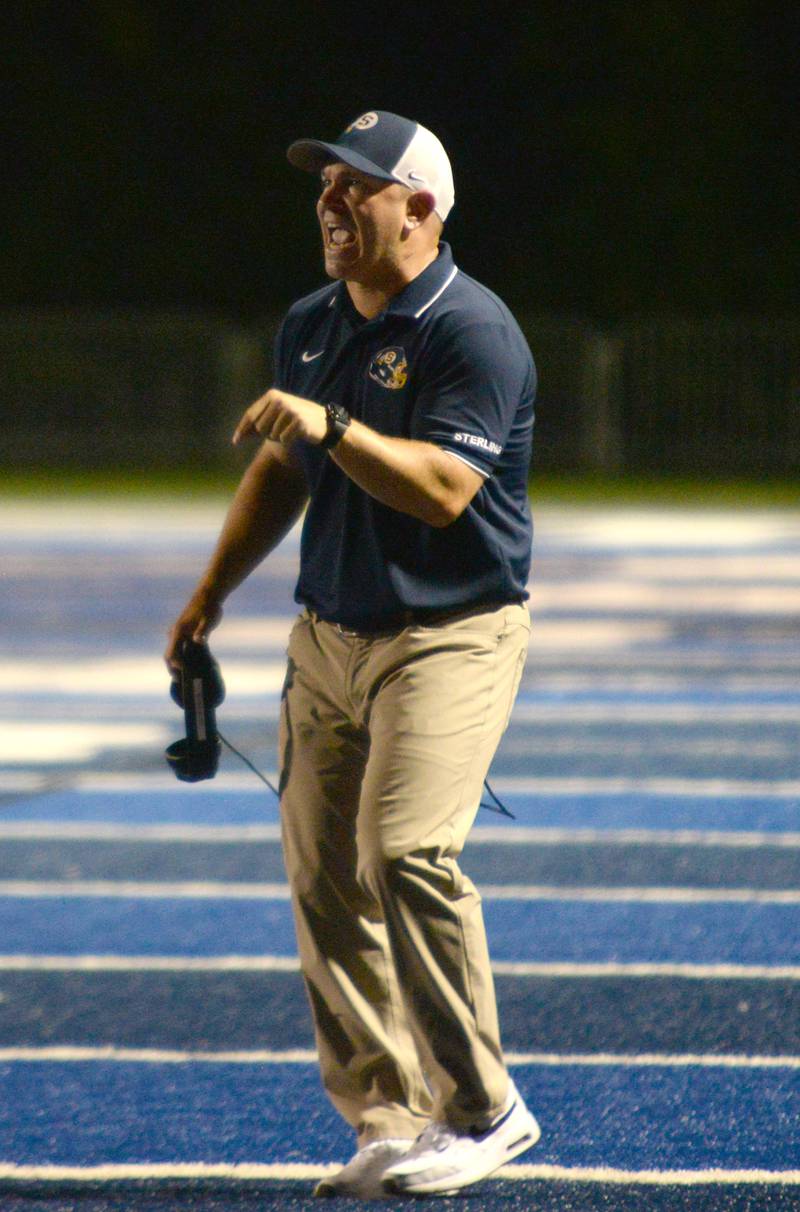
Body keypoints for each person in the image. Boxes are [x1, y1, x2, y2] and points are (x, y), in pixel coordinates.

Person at [166, 110, 540, 1199]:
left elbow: (440, 492)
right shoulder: (314, 323)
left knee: (405, 853)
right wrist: (208, 594)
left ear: (420, 209)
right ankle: (389, 1114)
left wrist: (330, 429)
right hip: (327, 631)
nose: (330, 203)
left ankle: (483, 1109)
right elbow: (283, 474)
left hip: (449, 632)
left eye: (355, 188)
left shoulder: (472, 330)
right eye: (325, 185)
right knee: (324, 878)